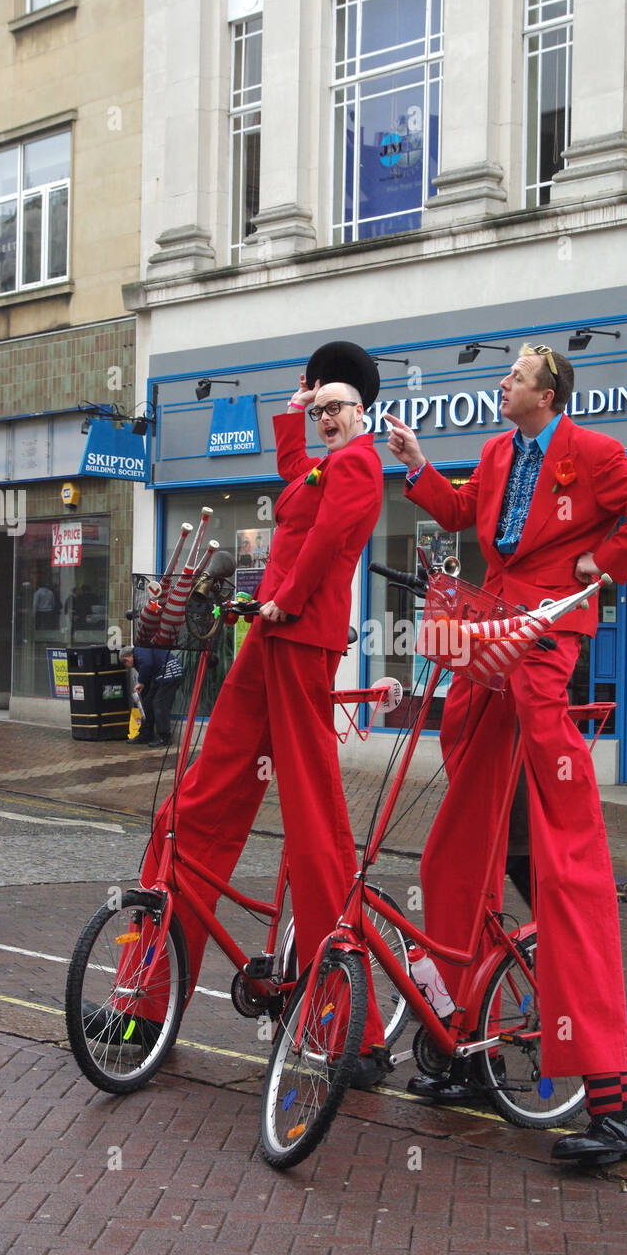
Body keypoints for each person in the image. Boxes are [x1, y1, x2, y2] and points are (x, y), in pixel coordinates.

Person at [385, 343, 627, 1166]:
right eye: (504, 373)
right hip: (489, 638)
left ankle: (613, 1109)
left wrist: (602, 565)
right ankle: (457, 1050)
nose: (501, 382)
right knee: (454, 846)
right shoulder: (497, 451)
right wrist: (417, 465)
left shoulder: (591, 453)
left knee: (568, 861)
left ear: (547, 392)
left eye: (514, 375)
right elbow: (461, 513)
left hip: (543, 642)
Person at [133, 341, 389, 1087]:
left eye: (338, 405)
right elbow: (295, 485)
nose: (327, 415)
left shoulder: (363, 464)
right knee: (194, 807)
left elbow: (332, 541)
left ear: (361, 411)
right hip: (266, 642)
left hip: (299, 639)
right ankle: (150, 998)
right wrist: (290, 413)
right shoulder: (319, 465)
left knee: (316, 831)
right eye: (323, 404)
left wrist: (286, 600)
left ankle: (354, 1031)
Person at [120, 644, 184, 747]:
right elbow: (148, 670)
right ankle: (146, 734)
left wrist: (141, 682)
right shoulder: (140, 654)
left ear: (126, 659)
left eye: (127, 664)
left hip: (170, 672)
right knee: (148, 703)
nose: (130, 666)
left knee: (159, 704)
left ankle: (165, 737)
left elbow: (146, 664)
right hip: (160, 675)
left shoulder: (140, 651)